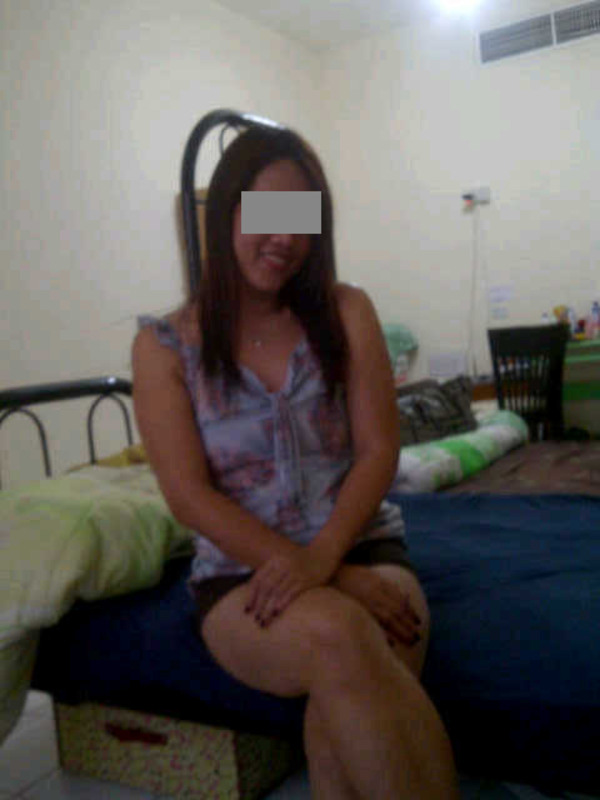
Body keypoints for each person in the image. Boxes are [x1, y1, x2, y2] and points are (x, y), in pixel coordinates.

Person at [132, 124, 460, 800]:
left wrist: (329, 557)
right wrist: (323, 574)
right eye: (266, 214)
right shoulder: (165, 346)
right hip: (243, 578)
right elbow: (189, 496)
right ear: (226, 211)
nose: (283, 237)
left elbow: (378, 450)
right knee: (341, 636)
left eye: (300, 218)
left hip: (366, 547)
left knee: (339, 712)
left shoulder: (345, 310)